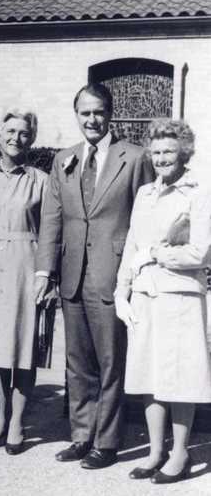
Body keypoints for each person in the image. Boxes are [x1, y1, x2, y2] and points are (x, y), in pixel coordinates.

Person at [35, 83, 154, 469]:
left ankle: (108, 440)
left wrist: (135, 275)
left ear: (110, 113)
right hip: (72, 275)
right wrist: (45, 271)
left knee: (110, 361)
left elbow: (145, 219)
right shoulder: (63, 159)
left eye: (99, 112)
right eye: (85, 112)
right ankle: (81, 435)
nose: (92, 119)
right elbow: (52, 218)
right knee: (77, 362)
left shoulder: (134, 158)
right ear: (76, 115)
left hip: (112, 275)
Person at [114, 119, 211, 484]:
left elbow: (201, 253)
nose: (161, 158)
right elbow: (131, 248)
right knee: (148, 374)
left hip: (181, 296)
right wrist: (121, 290)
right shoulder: (144, 194)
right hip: (145, 296)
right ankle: (156, 450)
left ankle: (180, 452)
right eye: (155, 152)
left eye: (169, 151)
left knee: (179, 375)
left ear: (184, 151)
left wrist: (155, 253)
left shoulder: (199, 193)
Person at [0, 109, 56, 455]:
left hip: (26, 267)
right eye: (10, 131)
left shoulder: (41, 180)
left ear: (31, 139)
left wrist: (47, 276)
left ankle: (18, 424)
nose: (15, 138)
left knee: (24, 349)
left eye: (23, 133)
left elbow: (52, 230)